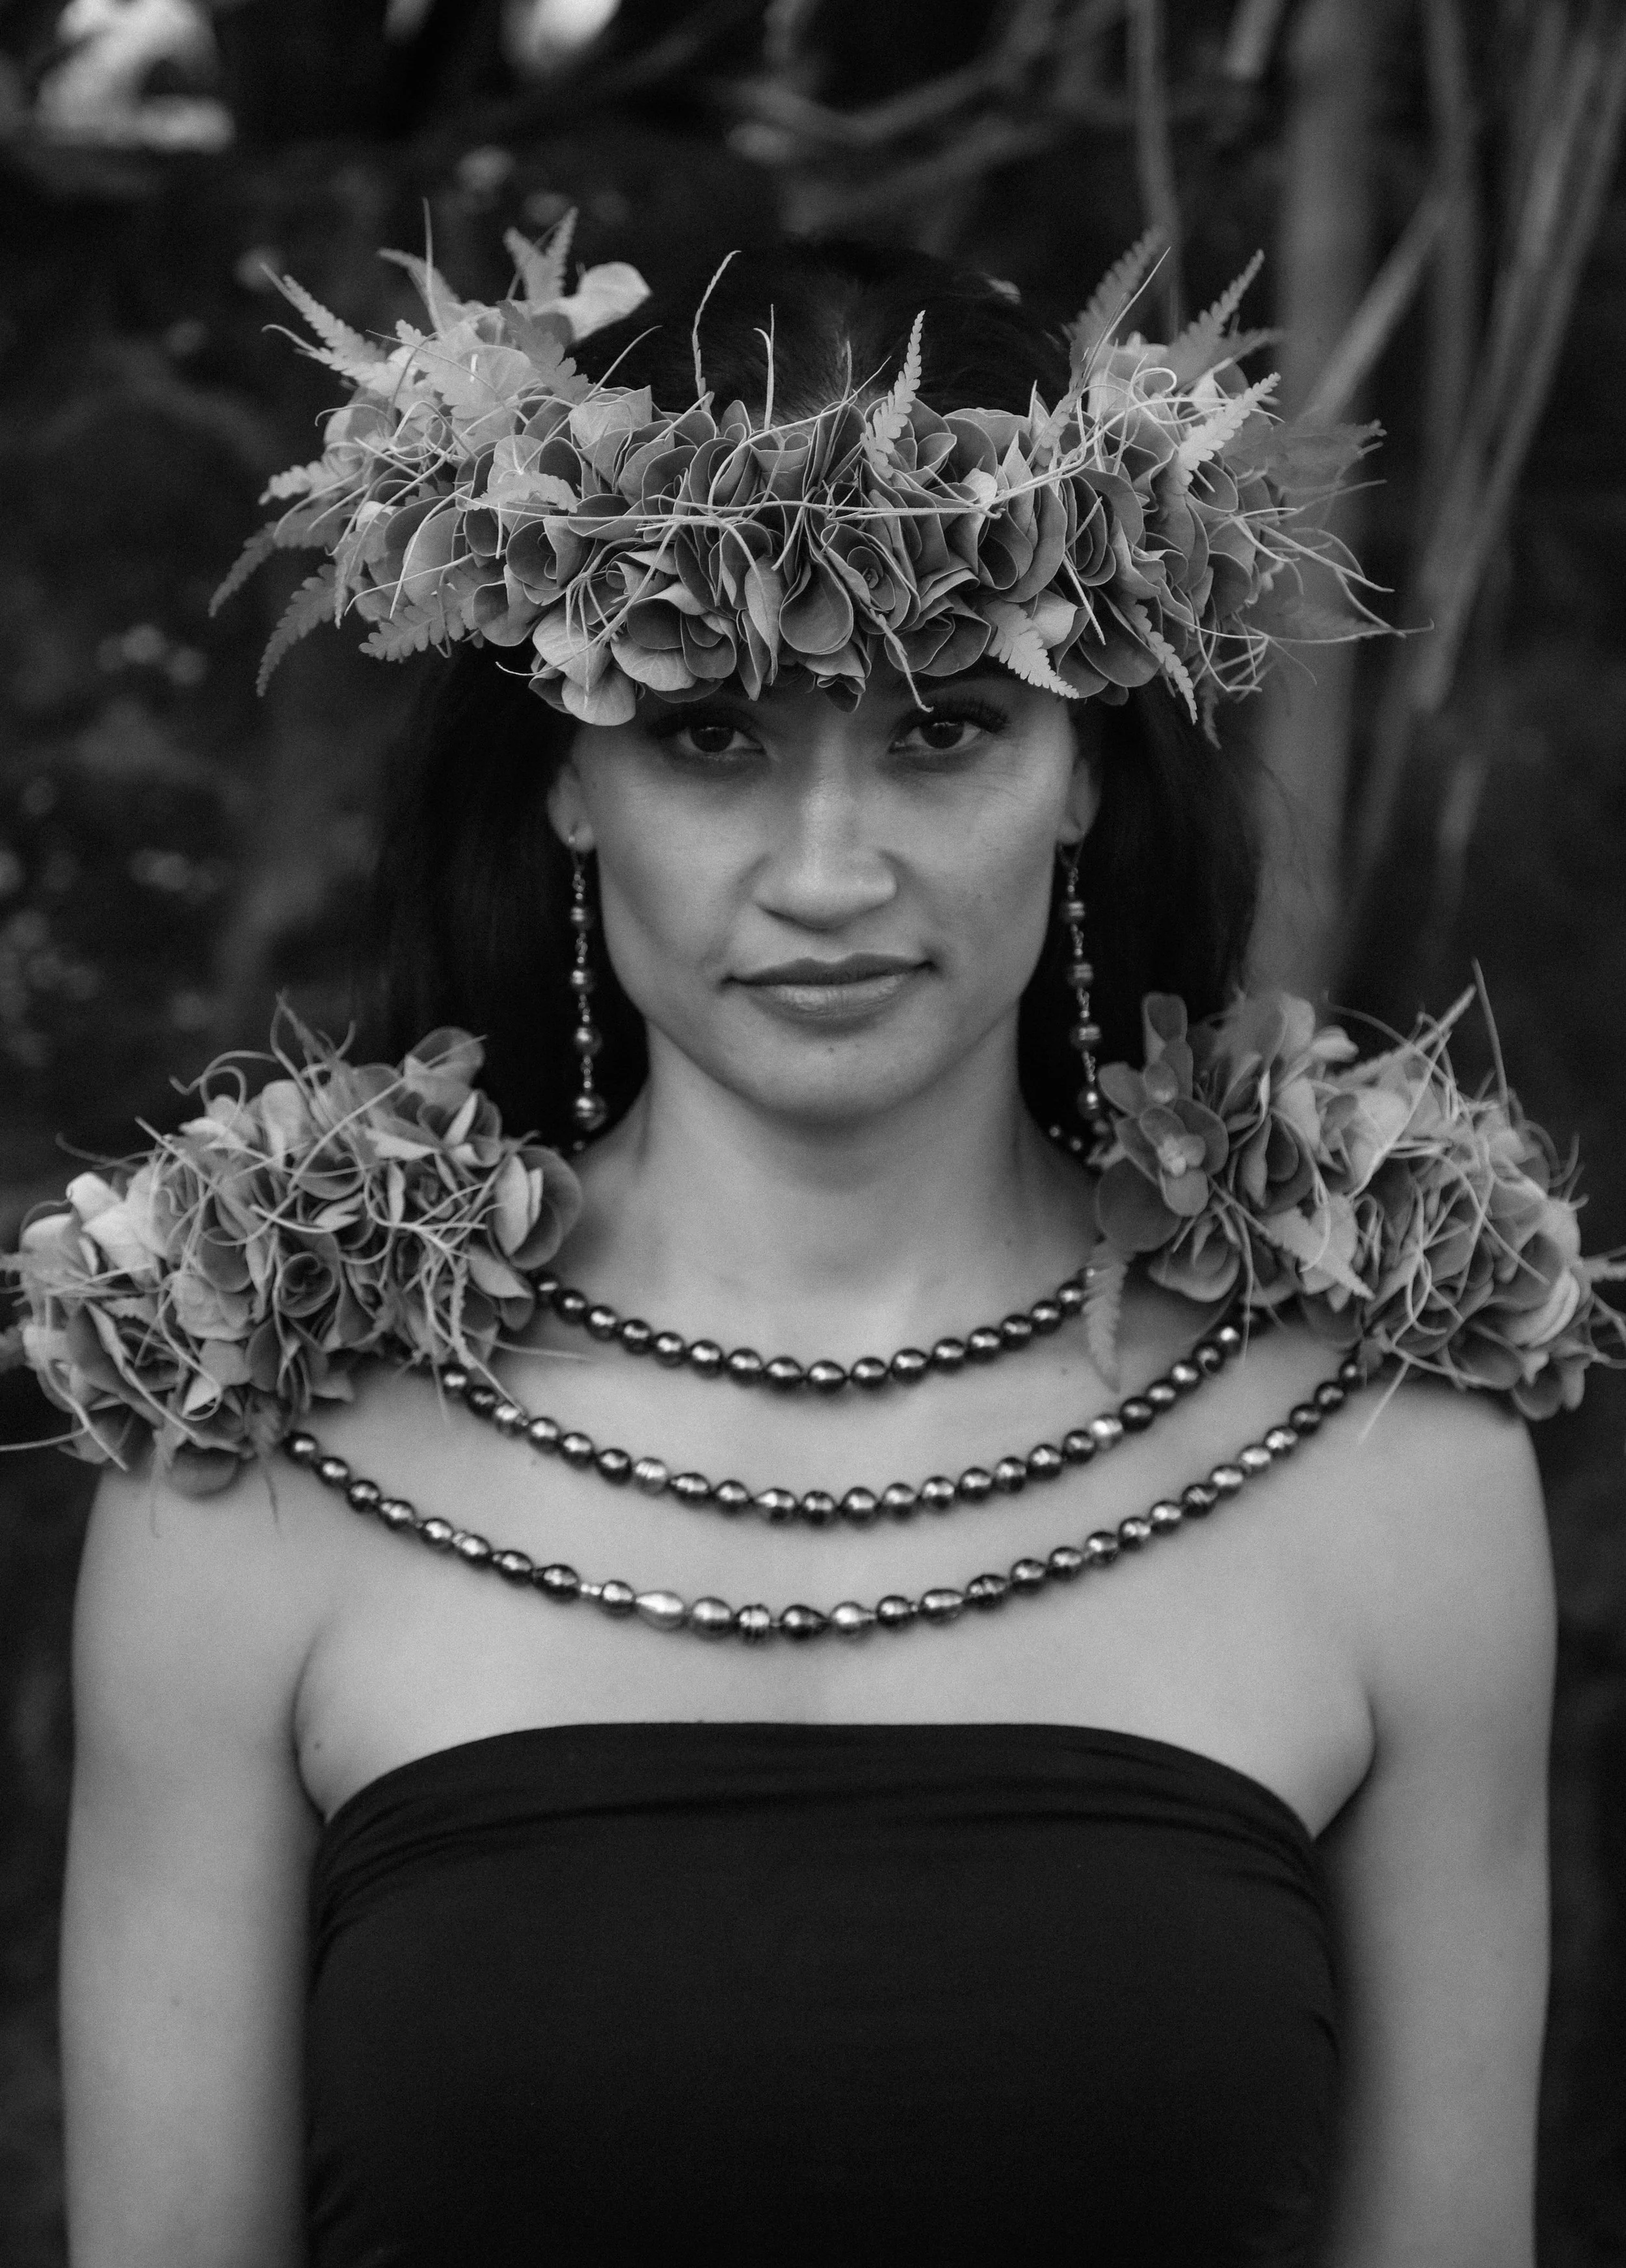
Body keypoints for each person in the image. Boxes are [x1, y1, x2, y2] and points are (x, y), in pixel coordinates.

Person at [56, 245, 1554, 2265]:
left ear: (1087, 762)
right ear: (566, 780)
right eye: (708, 739)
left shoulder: (1394, 1472)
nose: (832, 874)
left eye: (942, 729)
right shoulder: (255, 1464)